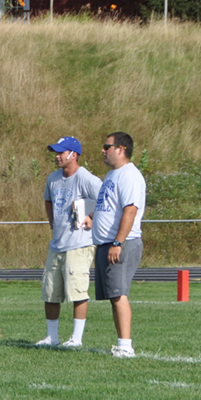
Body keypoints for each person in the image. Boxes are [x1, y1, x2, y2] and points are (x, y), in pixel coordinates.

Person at [37, 136, 102, 348]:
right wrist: (52, 221)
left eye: (60, 153)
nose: (56, 157)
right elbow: (48, 199)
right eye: (56, 153)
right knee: (50, 292)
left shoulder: (85, 178)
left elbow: (106, 199)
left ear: (73, 155)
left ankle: (76, 338)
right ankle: (52, 337)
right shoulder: (53, 179)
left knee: (77, 291)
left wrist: (92, 218)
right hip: (57, 243)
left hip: (79, 244)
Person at [92, 132, 146, 358]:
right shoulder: (112, 175)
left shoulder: (129, 175)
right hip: (106, 244)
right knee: (113, 296)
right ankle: (122, 344)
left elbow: (130, 210)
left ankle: (126, 346)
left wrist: (118, 242)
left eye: (107, 146)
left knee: (119, 294)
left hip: (120, 244)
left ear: (121, 149)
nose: (103, 150)